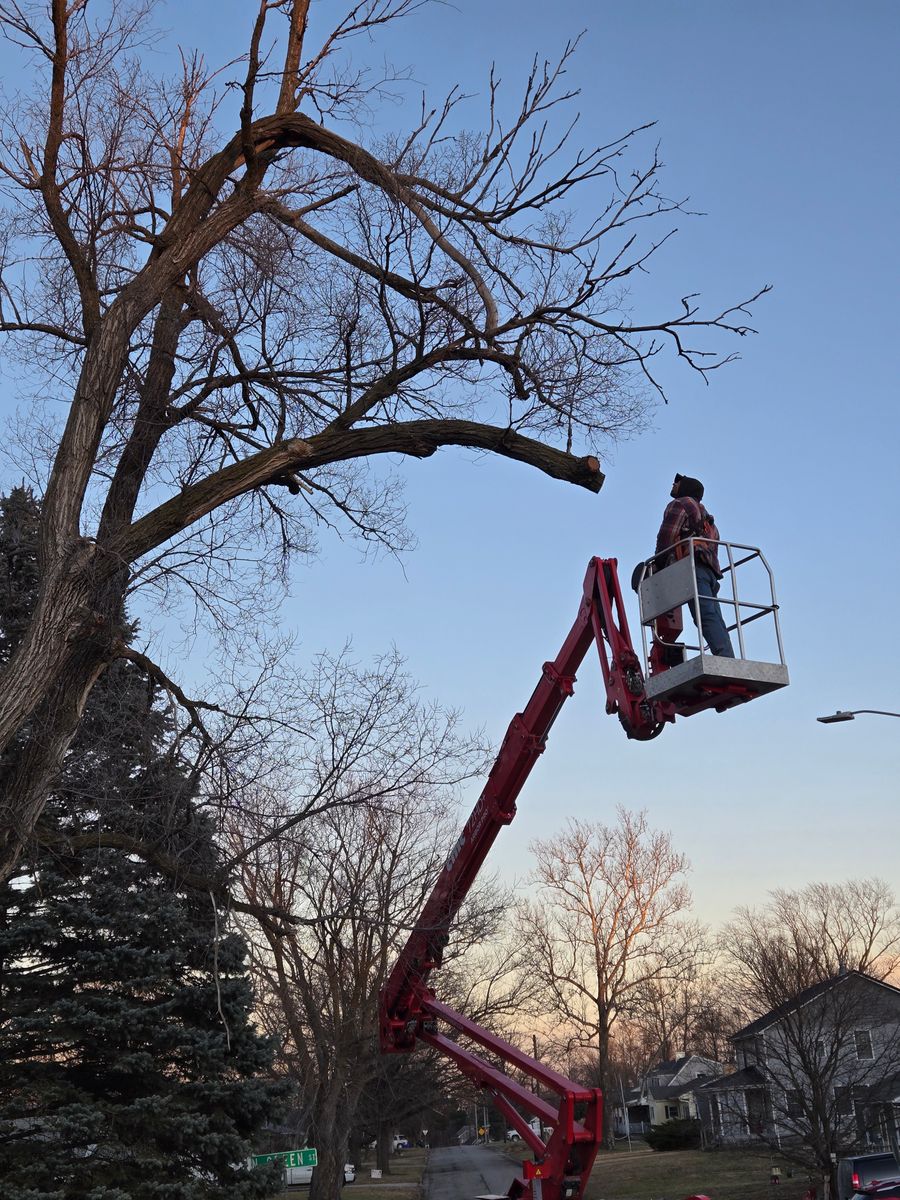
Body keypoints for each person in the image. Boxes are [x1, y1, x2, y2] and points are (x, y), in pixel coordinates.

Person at [654, 473, 735, 658]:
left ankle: (724, 659)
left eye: (677, 481)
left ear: (686, 487)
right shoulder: (709, 521)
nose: (673, 483)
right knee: (714, 617)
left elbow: (667, 535)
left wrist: (658, 564)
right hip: (710, 573)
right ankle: (728, 657)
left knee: (705, 616)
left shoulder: (680, 504)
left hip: (692, 569)